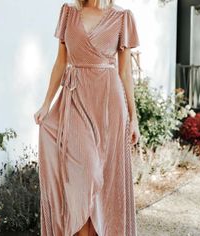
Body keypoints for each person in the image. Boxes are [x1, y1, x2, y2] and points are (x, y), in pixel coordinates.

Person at [34, 0, 140, 235]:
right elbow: (61, 61)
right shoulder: (68, 12)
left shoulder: (122, 17)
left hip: (108, 106)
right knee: (85, 176)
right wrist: (46, 104)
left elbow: (125, 72)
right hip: (74, 101)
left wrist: (133, 118)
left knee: (104, 185)